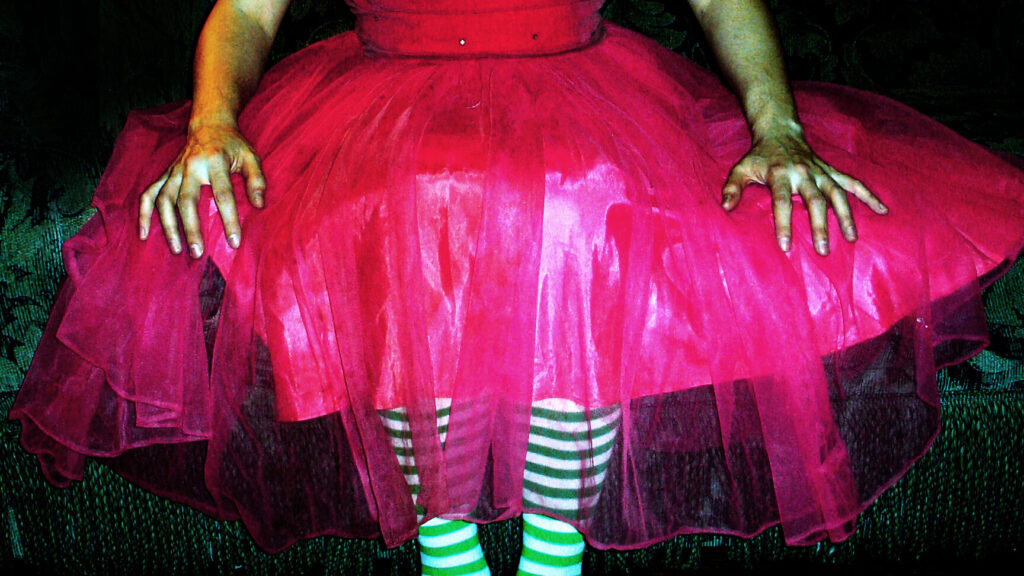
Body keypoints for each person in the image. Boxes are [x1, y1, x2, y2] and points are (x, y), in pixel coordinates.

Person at [10, 1, 1024, 575]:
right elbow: (246, 6)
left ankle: (551, 557)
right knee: (400, 210)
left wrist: (778, 126)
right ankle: (447, 552)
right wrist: (212, 123)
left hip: (587, 100)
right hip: (375, 108)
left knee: (579, 209)